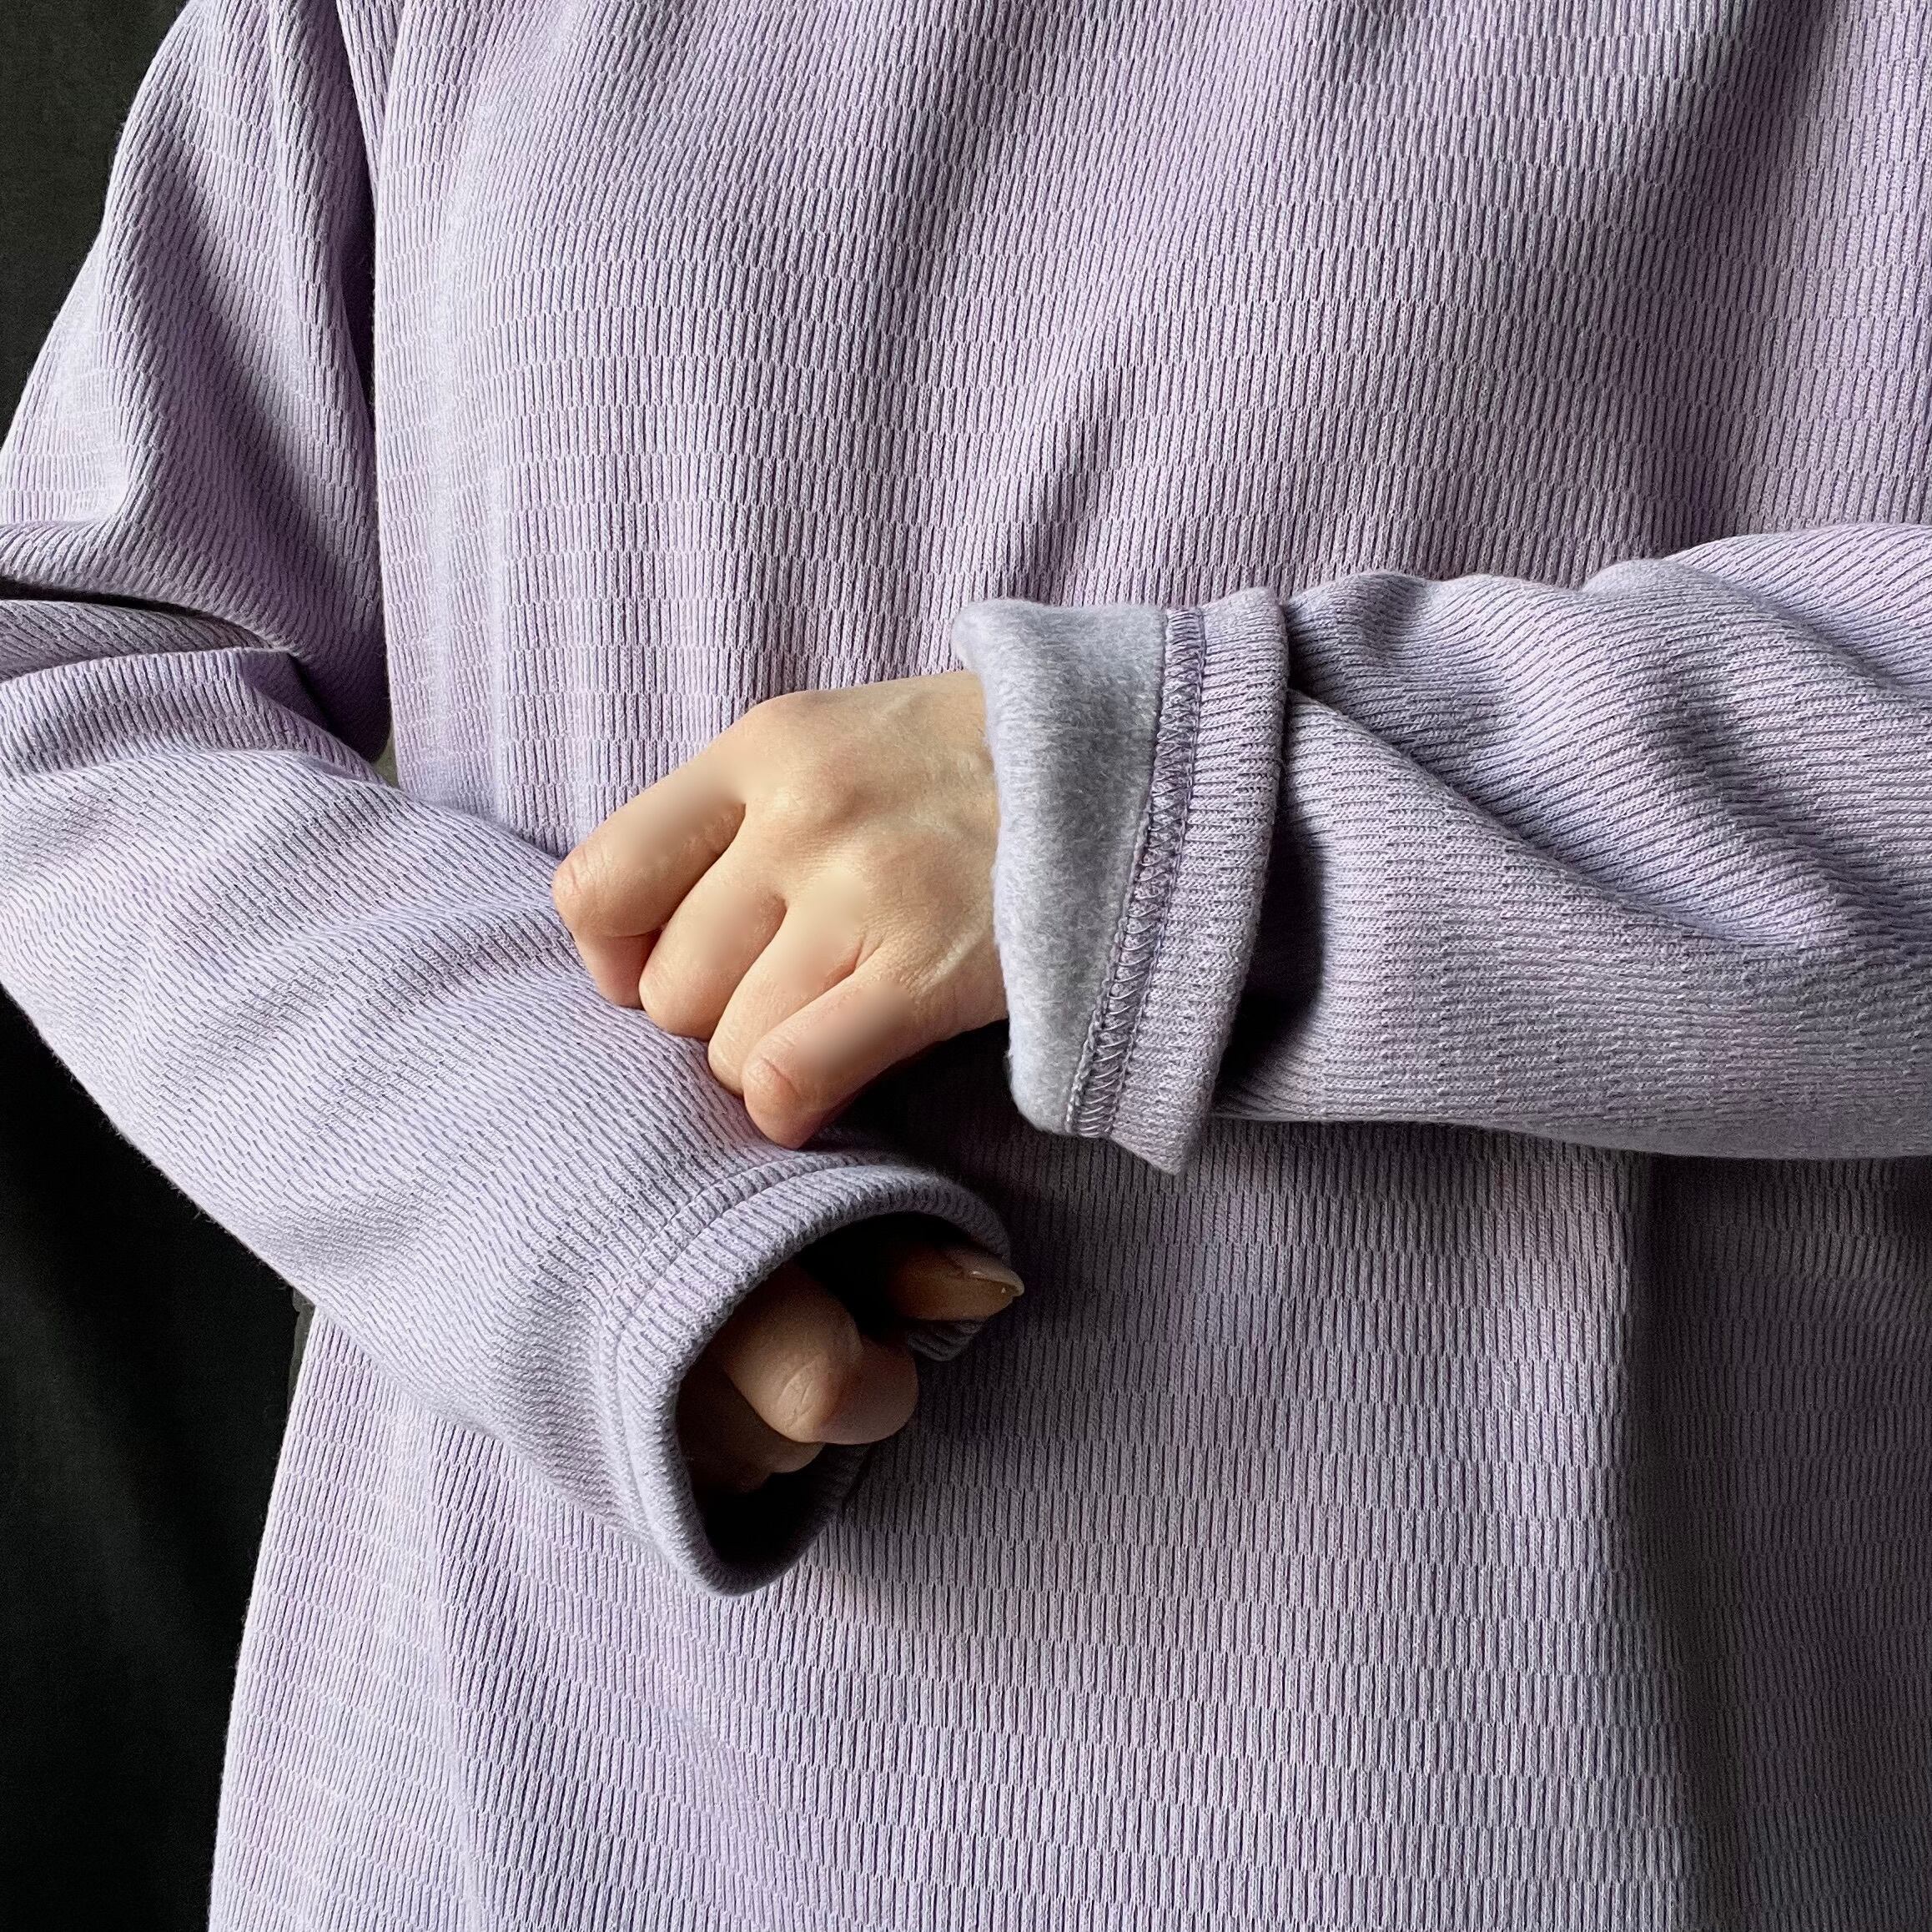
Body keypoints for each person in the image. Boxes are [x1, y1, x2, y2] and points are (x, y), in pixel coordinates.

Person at [0, 0, 1926, 1924]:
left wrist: (1162, 811)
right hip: (518, 1812)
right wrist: (572, 1179)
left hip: (1540, 1798)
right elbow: (76, 675)